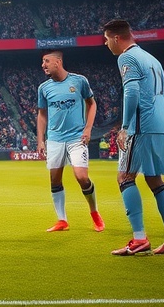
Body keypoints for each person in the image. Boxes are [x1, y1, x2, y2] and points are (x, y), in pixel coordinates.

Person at [103, 19, 164, 256]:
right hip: (161, 123)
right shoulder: (152, 59)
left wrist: (125, 126)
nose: (105, 44)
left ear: (116, 38)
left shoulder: (126, 57)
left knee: (124, 176)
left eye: (106, 39)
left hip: (142, 125)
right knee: (155, 180)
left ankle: (139, 238)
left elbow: (132, 91)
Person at [35, 51, 104, 233]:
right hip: (55, 139)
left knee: (81, 177)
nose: (43, 65)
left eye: (46, 61)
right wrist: (40, 140)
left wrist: (88, 128)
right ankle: (62, 220)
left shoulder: (79, 81)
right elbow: (42, 115)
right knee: (54, 180)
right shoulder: (44, 88)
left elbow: (92, 104)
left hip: (76, 137)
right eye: (42, 62)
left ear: (58, 62)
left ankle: (94, 212)